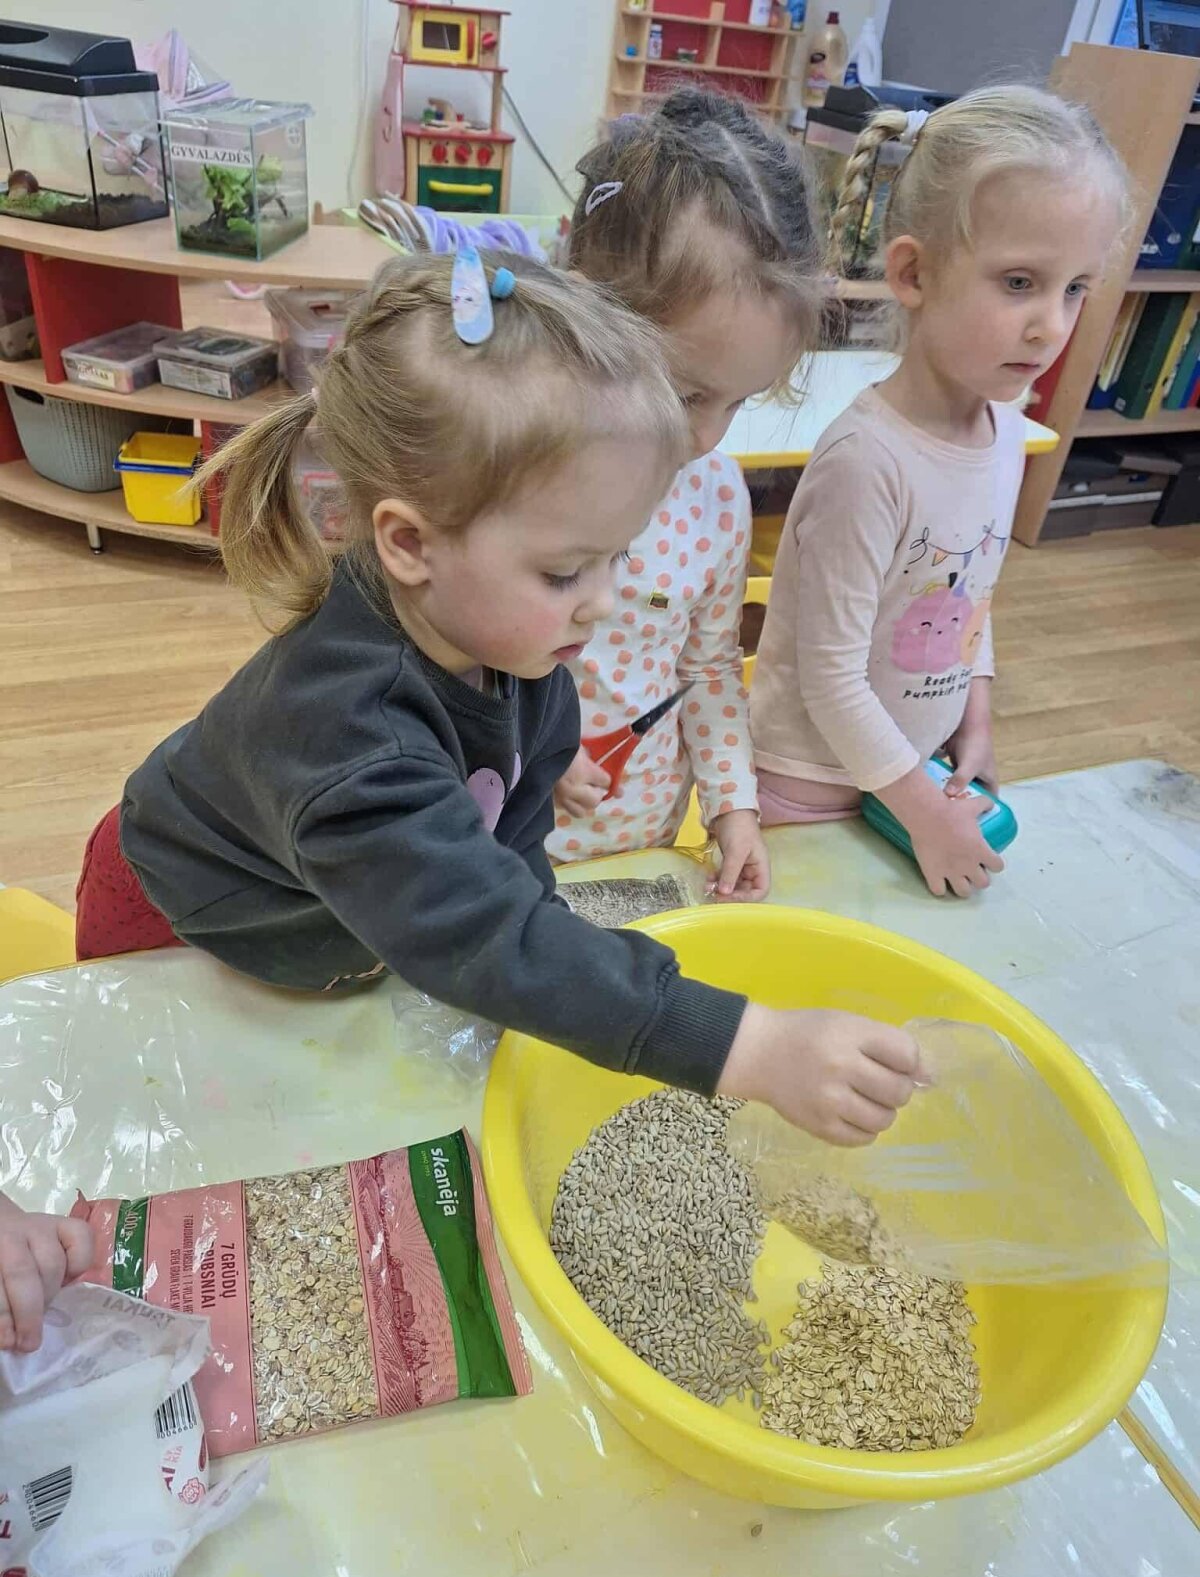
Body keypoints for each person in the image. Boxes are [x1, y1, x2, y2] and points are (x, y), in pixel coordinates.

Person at [0, 252, 922, 1354]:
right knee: (182, 1130)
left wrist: (541, 930)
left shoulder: (514, 647)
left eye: (616, 559)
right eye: (566, 572)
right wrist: (748, 1046)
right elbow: (485, 934)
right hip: (181, 917)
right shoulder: (353, 740)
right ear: (408, 543)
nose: (603, 604)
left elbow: (510, 852)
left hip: (333, 918)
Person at [750, 86, 1129, 897]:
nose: (1052, 325)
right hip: (811, 790)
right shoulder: (866, 461)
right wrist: (923, 812)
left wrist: (975, 718)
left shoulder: (1005, 433)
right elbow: (830, 680)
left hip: (910, 782)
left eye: (1075, 288)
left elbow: (968, 599)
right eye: (1020, 282)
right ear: (913, 272)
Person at [549, 88, 825, 900]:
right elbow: (446, 651)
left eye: (739, 402)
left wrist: (733, 808)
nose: (706, 436)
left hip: (644, 842)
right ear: (584, 307)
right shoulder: (514, 468)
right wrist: (529, 738)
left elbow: (707, 669)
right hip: (501, 840)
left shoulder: (714, 496)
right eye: (685, 393)